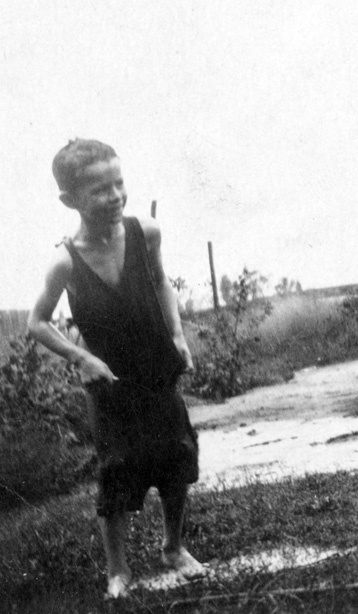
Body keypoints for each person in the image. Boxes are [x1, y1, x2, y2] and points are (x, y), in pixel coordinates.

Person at [27, 139, 205, 599]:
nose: (114, 196)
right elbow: (37, 323)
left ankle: (173, 546)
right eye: (98, 189)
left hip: (157, 365)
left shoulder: (146, 232)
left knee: (175, 454)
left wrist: (179, 335)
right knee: (117, 468)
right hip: (111, 381)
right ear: (70, 200)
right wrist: (82, 357)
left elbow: (162, 282)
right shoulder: (66, 260)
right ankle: (117, 570)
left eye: (118, 183)